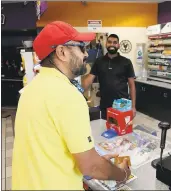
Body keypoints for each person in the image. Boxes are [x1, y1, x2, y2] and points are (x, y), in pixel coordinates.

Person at [12, 21, 131, 190]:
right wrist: (122, 174)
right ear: (62, 52)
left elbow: (48, 145)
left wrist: (96, 158)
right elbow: (91, 167)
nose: (86, 54)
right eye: (81, 48)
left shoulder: (30, 89)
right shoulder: (67, 95)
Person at [83, 34, 136, 119]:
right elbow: (89, 79)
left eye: (115, 42)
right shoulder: (99, 61)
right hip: (105, 105)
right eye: (109, 42)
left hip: (122, 105)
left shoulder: (126, 62)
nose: (112, 44)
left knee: (121, 130)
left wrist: (133, 107)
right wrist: (79, 90)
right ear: (106, 44)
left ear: (118, 45)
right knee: (105, 128)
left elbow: (132, 85)